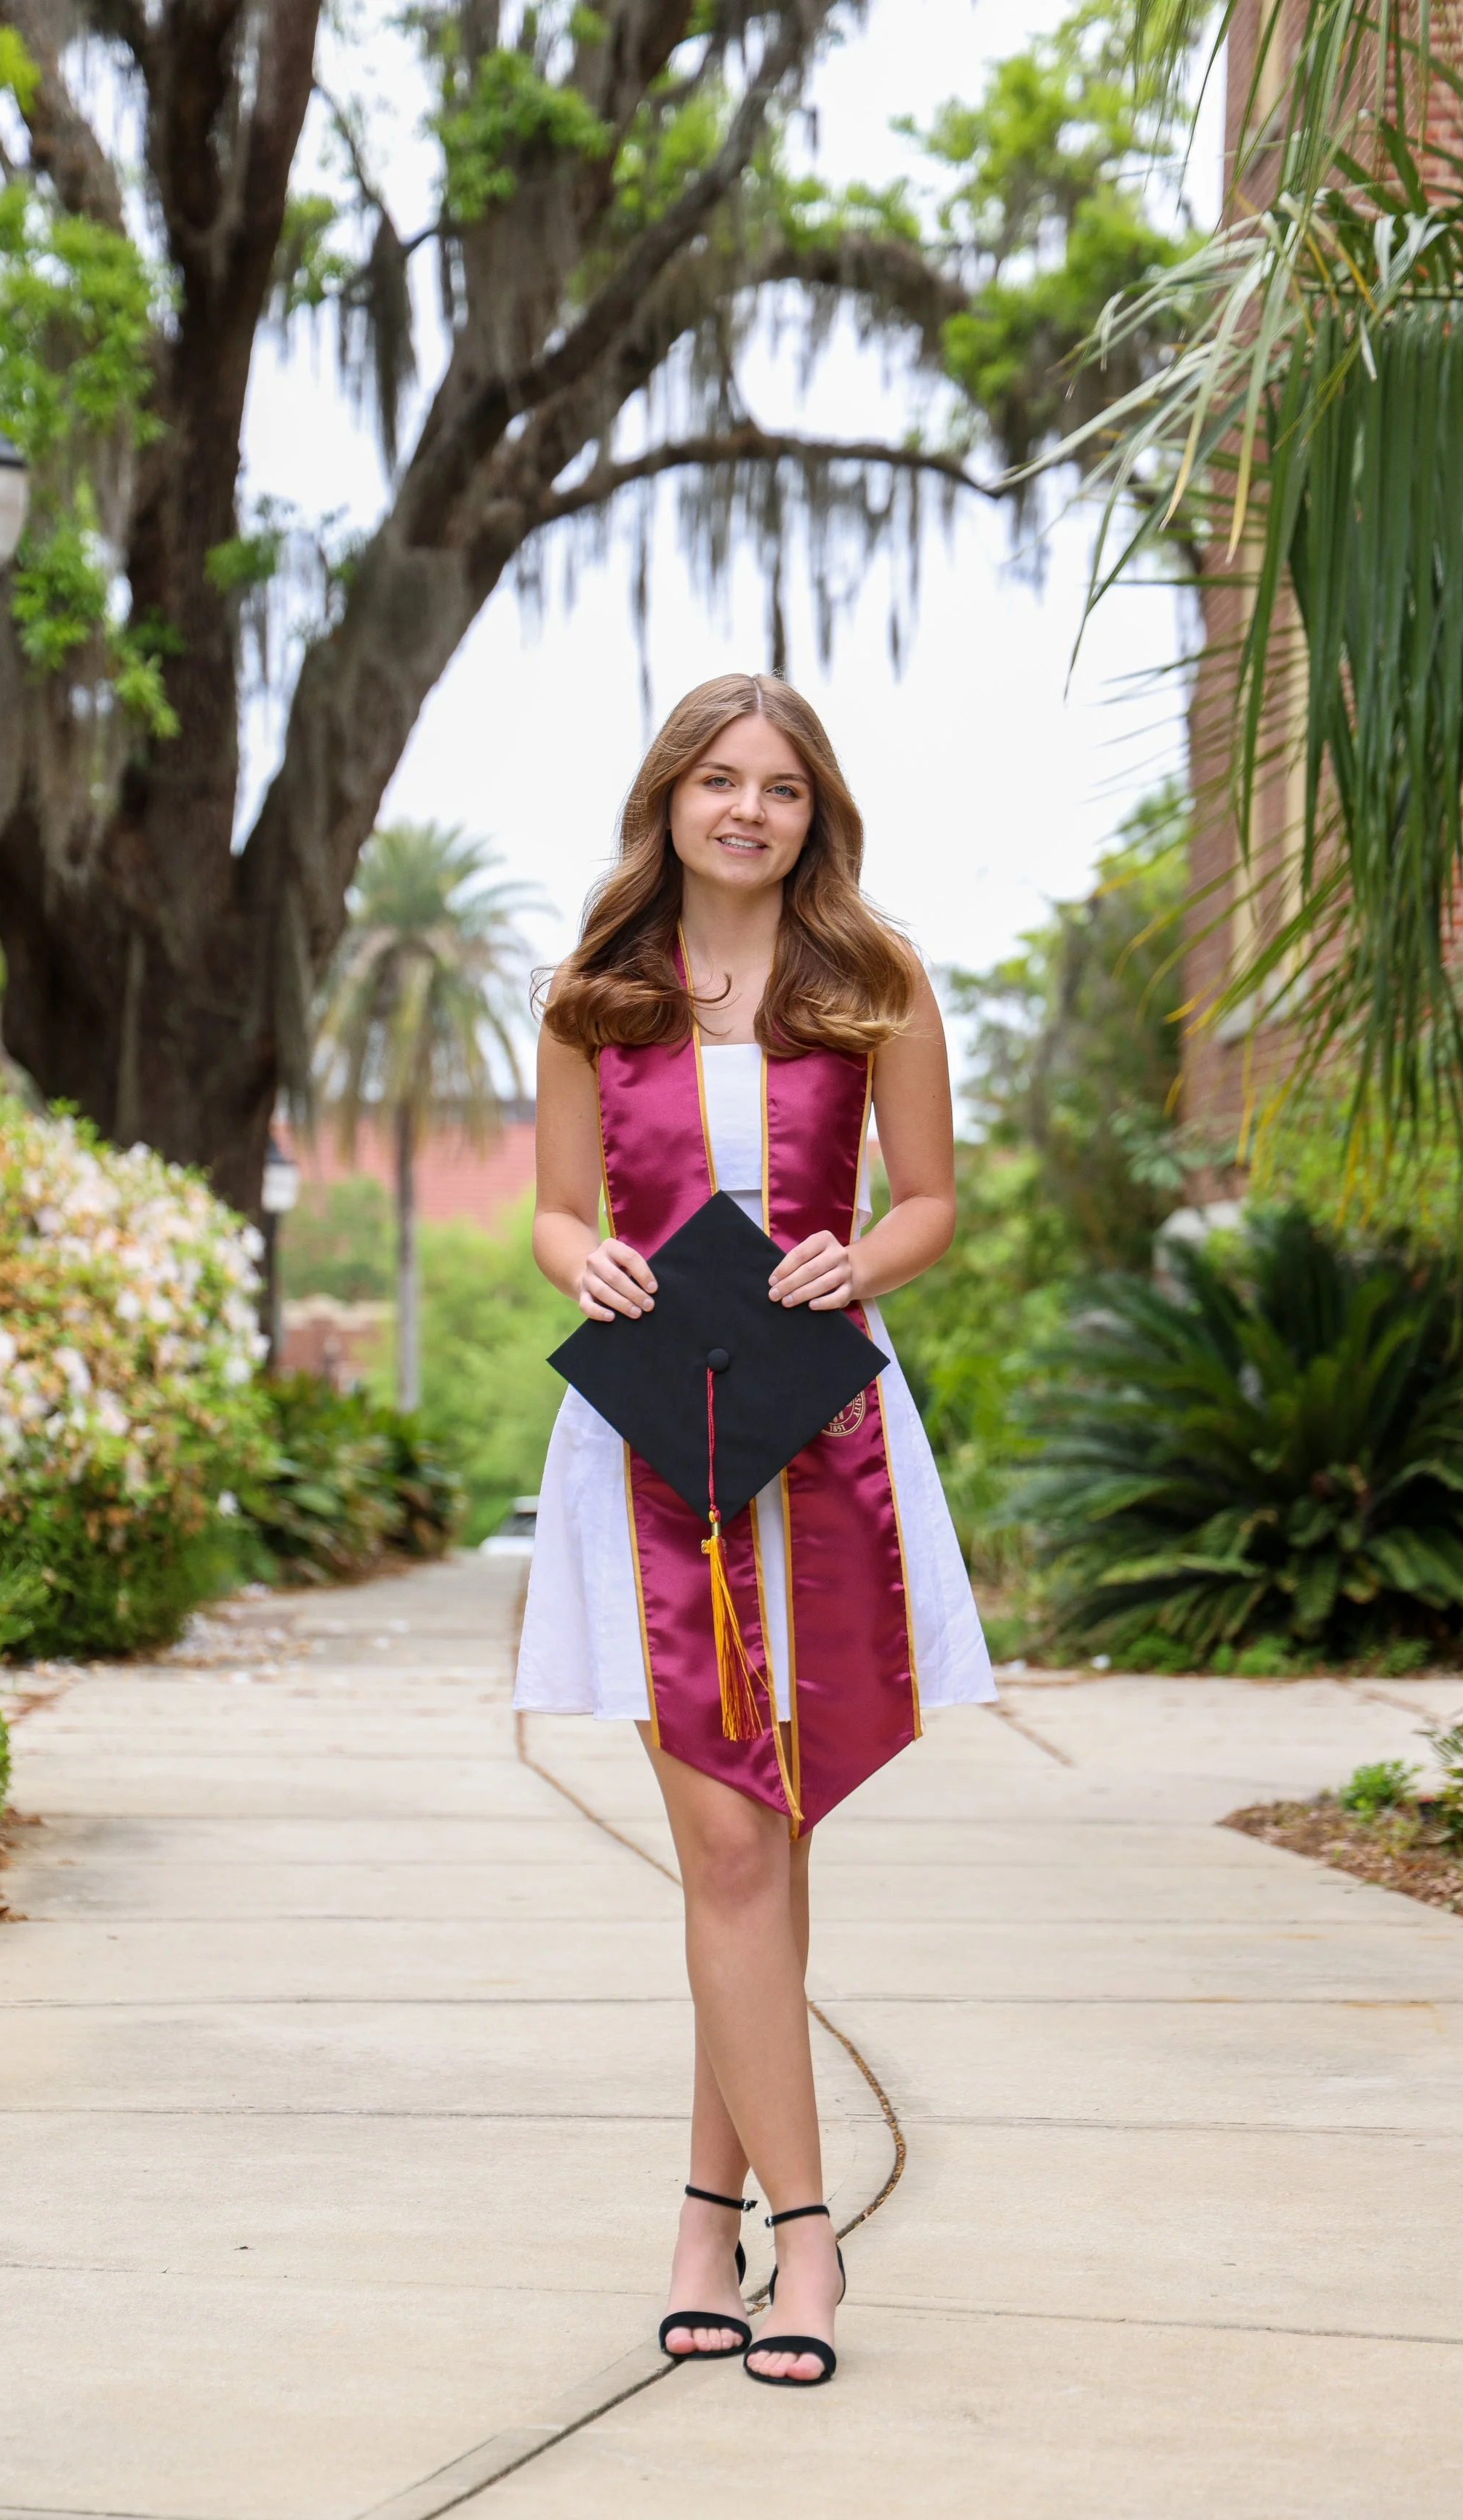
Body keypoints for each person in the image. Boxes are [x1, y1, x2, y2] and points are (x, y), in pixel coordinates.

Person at [517, 673, 993, 2386]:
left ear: (815, 811)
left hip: (820, 1432)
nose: (745, 810)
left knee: (767, 1844)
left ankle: (702, 2211)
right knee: (729, 1847)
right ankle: (809, 2241)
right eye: (716, 780)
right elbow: (559, 1208)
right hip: (652, 1432)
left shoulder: (869, 984)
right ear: (666, 800)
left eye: (777, 787)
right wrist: (584, 1257)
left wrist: (858, 1257)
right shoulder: (592, 999)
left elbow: (929, 1196)